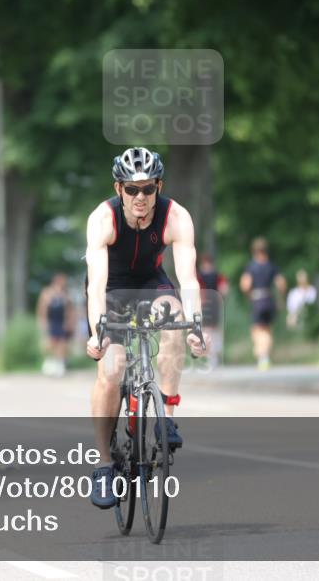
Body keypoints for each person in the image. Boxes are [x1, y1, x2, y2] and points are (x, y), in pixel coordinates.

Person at [84, 147, 209, 509]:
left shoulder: (177, 217)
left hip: (151, 282)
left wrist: (195, 325)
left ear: (159, 186)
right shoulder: (102, 218)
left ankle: (166, 418)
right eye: (132, 189)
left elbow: (188, 280)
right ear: (119, 188)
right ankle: (104, 464)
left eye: (148, 189)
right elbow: (95, 286)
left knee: (174, 316)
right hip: (110, 289)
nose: (141, 197)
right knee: (112, 369)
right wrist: (98, 332)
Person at [239, 237, 286, 371]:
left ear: (254, 251)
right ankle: (264, 356)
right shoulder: (272, 266)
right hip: (269, 298)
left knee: (257, 329)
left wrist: (249, 295)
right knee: (267, 328)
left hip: (257, 299)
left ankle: (262, 356)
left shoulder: (251, 267)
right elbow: (281, 283)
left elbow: (245, 285)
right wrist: (280, 298)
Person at [36, 273, 74, 377]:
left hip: (61, 322)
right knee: (50, 343)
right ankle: (49, 362)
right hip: (51, 321)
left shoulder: (66, 294)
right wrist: (43, 322)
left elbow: (70, 309)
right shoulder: (47, 293)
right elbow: (42, 309)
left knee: (62, 344)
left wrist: (69, 322)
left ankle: (60, 364)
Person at [196, 253, 228, 368]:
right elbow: (224, 289)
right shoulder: (218, 275)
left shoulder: (199, 276)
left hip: (204, 304)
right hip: (215, 304)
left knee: (207, 330)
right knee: (215, 329)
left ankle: (211, 356)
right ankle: (215, 353)